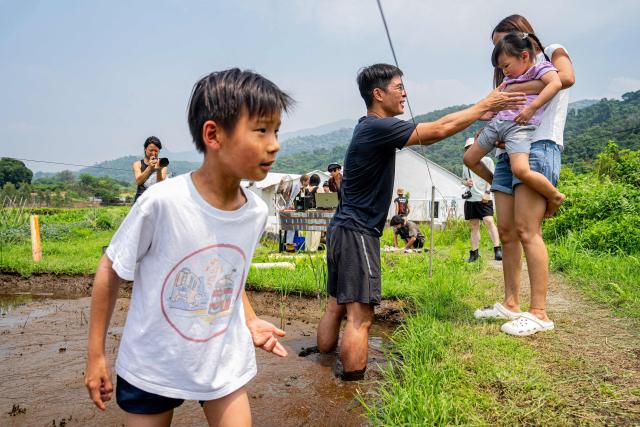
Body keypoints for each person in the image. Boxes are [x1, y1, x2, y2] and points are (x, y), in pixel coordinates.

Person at [85, 68, 293, 426]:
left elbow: (230, 274)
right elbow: (110, 269)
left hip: (221, 361)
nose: (273, 143)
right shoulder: (162, 202)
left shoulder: (256, 211)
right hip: (153, 362)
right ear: (213, 134)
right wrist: (95, 355)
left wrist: (250, 319)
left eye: (276, 131)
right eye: (261, 130)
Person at [316, 63, 525, 380]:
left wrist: (477, 111)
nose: (405, 94)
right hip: (358, 233)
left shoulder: (366, 128)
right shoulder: (377, 127)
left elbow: (442, 125)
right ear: (378, 93)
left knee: (335, 306)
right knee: (360, 317)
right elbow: (438, 129)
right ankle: (350, 389)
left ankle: (320, 373)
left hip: (340, 229)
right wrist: (487, 105)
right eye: (399, 87)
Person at [473, 15, 575, 336]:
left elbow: (565, 78)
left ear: (523, 37)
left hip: (540, 143)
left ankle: (539, 312)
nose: (500, 52)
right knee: (506, 231)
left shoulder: (551, 54)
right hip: (508, 152)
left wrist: (516, 87)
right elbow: (500, 108)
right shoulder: (508, 73)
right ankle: (511, 303)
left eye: (504, 43)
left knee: (528, 230)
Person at [464, 31, 565, 217]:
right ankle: (497, 183)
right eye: (501, 68)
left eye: (506, 65)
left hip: (519, 128)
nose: (504, 71)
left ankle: (555, 195)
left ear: (524, 56)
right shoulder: (508, 80)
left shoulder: (540, 69)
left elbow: (556, 83)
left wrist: (532, 108)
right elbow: (491, 105)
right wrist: (481, 114)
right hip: (497, 124)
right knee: (469, 159)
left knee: (520, 169)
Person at [462, 138, 502, 262]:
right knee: (474, 226)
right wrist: (466, 182)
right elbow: (463, 180)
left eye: (471, 147)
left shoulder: (487, 160)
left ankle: (497, 250)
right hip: (471, 199)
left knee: (489, 221)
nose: (469, 149)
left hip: (484, 197)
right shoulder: (466, 164)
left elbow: (492, 177)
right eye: (467, 148)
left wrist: (487, 192)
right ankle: (474, 253)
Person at [132, 136, 168, 202]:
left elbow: (161, 184)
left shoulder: (162, 163)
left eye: (156, 151)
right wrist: (150, 167)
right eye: (151, 150)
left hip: (157, 198)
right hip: (141, 198)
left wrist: (159, 170)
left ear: (159, 151)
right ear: (145, 149)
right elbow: (138, 181)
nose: (153, 153)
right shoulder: (137, 164)